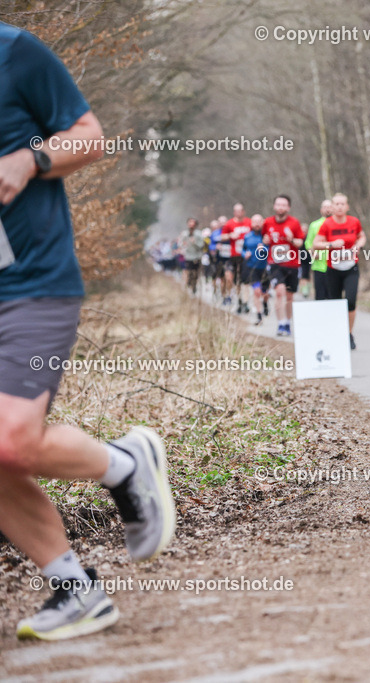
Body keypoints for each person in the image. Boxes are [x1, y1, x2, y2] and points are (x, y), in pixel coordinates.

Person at [0, 21, 176, 640]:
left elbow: (90, 137)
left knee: (12, 441)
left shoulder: (14, 51)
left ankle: (125, 464)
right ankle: (77, 591)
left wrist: (28, 159)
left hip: (32, 286)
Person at [312, 193, 364, 350]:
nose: (340, 206)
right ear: (332, 207)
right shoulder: (327, 224)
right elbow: (316, 244)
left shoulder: (354, 222)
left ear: (347, 206)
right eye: (337, 204)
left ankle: (348, 333)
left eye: (343, 204)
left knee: (351, 300)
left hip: (351, 268)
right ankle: (337, 333)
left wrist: (358, 245)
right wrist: (331, 244)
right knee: (334, 303)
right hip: (333, 269)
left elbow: (362, 236)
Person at [262, 194, 304, 336]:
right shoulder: (267, 222)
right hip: (275, 264)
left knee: (289, 295)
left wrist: (292, 239)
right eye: (278, 204)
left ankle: (287, 322)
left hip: (292, 264)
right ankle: (280, 324)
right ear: (274, 206)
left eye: (283, 205)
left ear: (288, 207)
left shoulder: (294, 223)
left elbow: (300, 243)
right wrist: (265, 241)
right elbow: (264, 240)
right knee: (279, 292)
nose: (280, 207)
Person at [221, 203, 251, 314]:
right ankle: (239, 301)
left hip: (246, 256)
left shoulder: (249, 222)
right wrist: (230, 236)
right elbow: (222, 236)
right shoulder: (229, 224)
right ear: (234, 212)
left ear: (243, 212)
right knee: (234, 280)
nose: (238, 213)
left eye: (240, 211)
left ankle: (246, 303)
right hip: (233, 256)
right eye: (236, 211)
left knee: (245, 281)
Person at [241, 214, 268, 324]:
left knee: (265, 293)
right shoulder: (247, 236)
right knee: (256, 291)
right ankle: (259, 316)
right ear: (251, 223)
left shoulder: (267, 237)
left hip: (266, 267)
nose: (256, 224)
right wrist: (244, 254)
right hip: (252, 267)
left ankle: (265, 304)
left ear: (263, 222)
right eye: (254, 222)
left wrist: (264, 249)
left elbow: (273, 250)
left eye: (259, 221)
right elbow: (243, 249)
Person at [304, 199, 333, 300]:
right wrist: (312, 252)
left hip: (335, 266)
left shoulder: (337, 224)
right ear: (321, 210)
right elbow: (308, 242)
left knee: (333, 296)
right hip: (319, 266)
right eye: (325, 207)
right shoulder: (314, 225)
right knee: (320, 296)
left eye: (329, 207)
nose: (327, 209)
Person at [180, 218, 206, 295]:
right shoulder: (184, 234)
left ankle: (194, 287)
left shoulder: (199, 234)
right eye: (189, 223)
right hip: (188, 256)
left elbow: (202, 245)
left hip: (197, 257)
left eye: (193, 223)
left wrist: (195, 242)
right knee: (188, 272)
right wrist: (183, 246)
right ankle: (189, 285)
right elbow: (180, 244)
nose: (191, 225)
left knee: (195, 273)